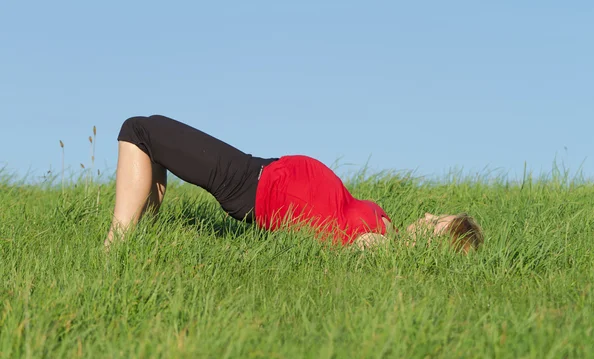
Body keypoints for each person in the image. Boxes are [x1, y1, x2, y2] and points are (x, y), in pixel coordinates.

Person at [105, 115, 483, 252]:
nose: (430, 213)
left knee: (139, 130)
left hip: (249, 187)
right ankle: (140, 241)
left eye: (436, 222)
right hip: (257, 170)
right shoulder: (386, 227)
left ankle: (115, 246)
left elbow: (359, 252)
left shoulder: (381, 246)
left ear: (434, 245)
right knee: (153, 145)